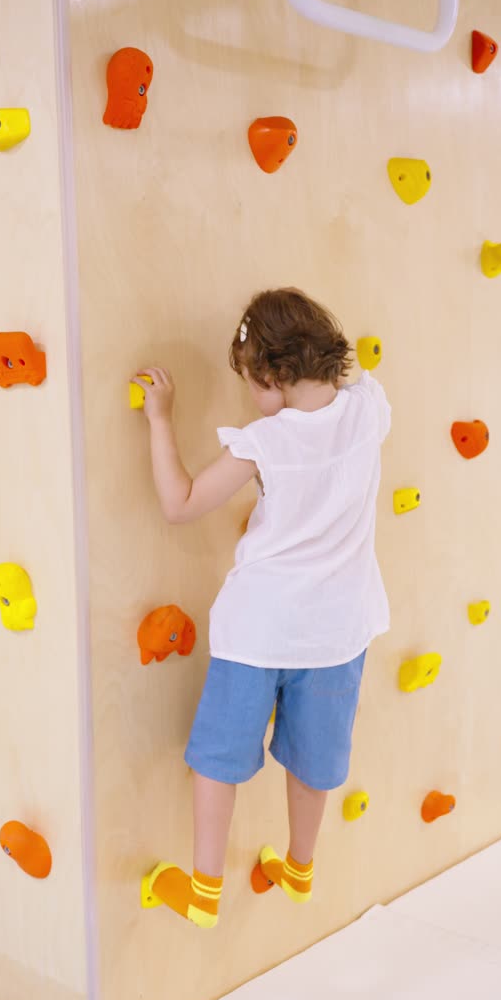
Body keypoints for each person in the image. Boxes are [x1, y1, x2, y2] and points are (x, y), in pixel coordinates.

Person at [132, 288, 391, 928]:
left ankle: (204, 888)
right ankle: (300, 867)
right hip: (339, 630)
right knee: (314, 756)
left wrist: (160, 420)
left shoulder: (264, 443)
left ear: (273, 374)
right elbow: (351, 398)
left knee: (220, 757)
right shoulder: (369, 409)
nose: (250, 396)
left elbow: (182, 502)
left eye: (250, 381)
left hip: (261, 629)